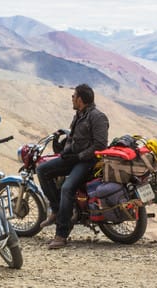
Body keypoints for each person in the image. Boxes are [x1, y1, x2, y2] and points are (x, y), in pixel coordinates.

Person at [35, 83, 110, 249]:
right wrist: (65, 149)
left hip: (87, 162)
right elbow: (75, 138)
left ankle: (61, 235)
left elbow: (100, 145)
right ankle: (56, 210)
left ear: (81, 99)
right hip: (73, 158)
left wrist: (79, 156)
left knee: (67, 188)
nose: (72, 99)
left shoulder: (97, 117)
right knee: (42, 169)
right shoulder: (79, 115)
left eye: (74, 96)